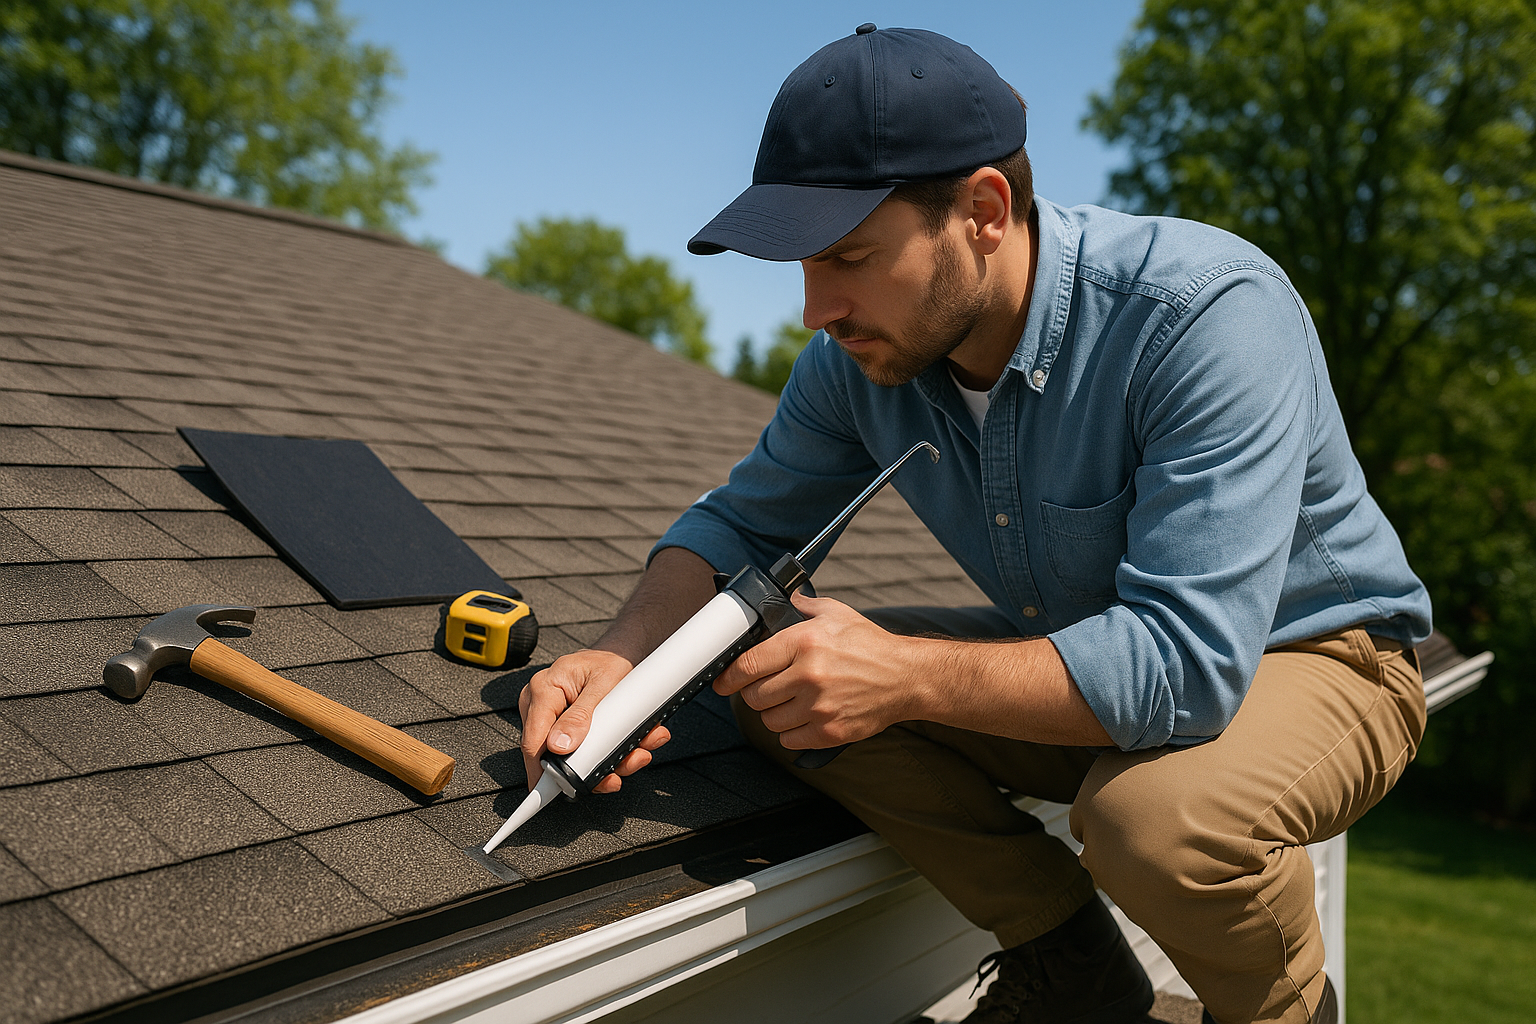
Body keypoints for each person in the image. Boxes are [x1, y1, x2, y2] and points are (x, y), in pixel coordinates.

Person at [517, 24, 1431, 1024]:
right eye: (801, 267)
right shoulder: (855, 361)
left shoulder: (1202, 314)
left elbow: (1186, 664)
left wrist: (905, 673)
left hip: (1313, 655)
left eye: (850, 257)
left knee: (1155, 821)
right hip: (1091, 657)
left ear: (985, 212)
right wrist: (620, 658)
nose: (815, 309)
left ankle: (1284, 1011)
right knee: (777, 672)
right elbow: (739, 526)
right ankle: (1067, 964)